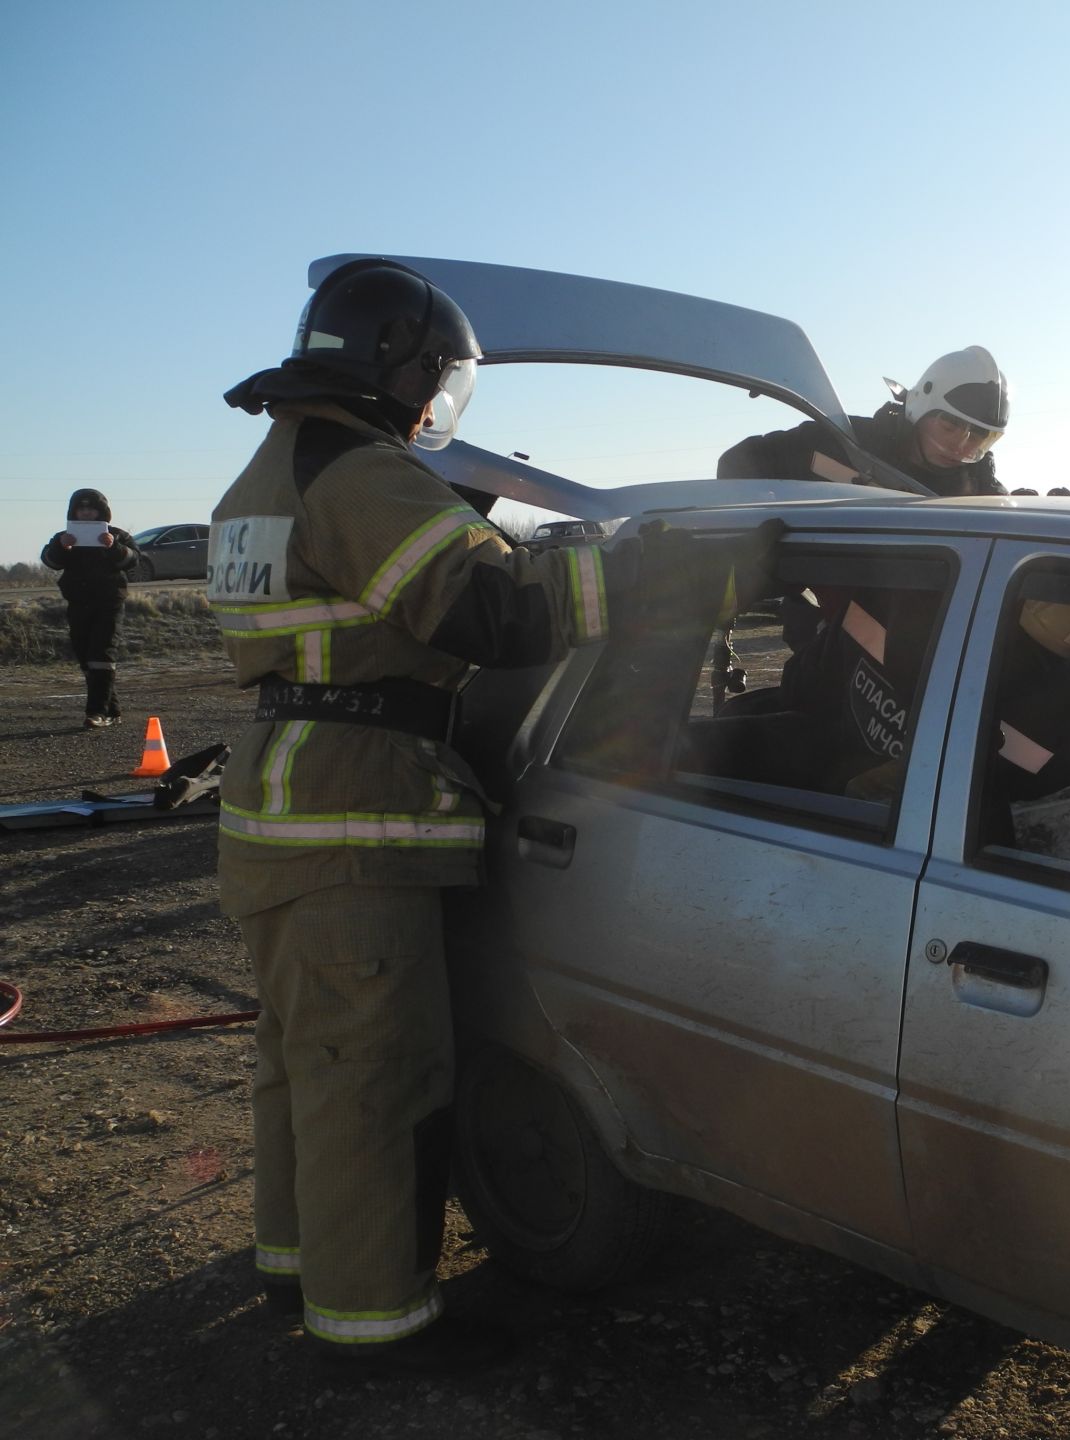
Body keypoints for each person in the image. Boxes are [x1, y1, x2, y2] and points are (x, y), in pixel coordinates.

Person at [211, 259, 767, 1375]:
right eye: (440, 382)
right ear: (407, 369)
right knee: (376, 1079)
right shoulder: (363, 475)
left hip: (282, 801)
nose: (439, 407)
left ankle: (297, 1266)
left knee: (302, 1061)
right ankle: (376, 1325)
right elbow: (497, 612)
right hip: (354, 815)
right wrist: (642, 576)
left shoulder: (265, 474)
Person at [718, 346, 1009, 497]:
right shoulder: (843, 443)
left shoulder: (981, 494)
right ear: (922, 407)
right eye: (950, 426)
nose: (961, 446)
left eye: (978, 437)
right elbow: (738, 462)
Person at [41, 489, 140, 728]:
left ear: (102, 512)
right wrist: (62, 547)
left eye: (91, 508)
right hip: (78, 603)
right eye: (81, 508)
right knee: (85, 655)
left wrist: (113, 546)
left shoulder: (116, 535)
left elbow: (134, 561)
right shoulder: (64, 537)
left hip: (109, 603)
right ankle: (112, 710)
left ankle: (97, 712)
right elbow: (50, 561)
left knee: (102, 654)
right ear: (73, 512)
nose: (86, 512)